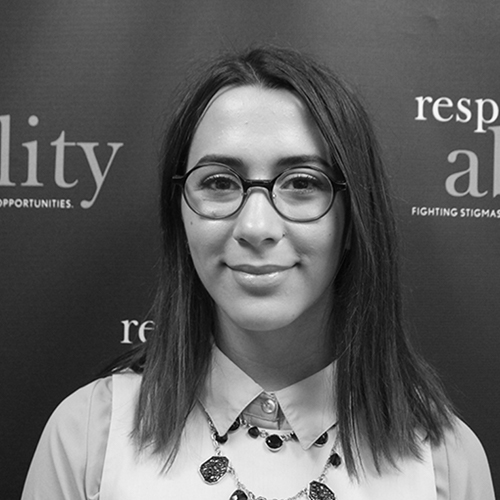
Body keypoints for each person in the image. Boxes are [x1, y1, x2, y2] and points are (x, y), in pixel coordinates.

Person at [22, 46, 495, 500]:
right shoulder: (87, 436)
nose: (256, 226)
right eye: (219, 183)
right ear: (181, 214)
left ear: (354, 220)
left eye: (303, 184)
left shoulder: (445, 461)